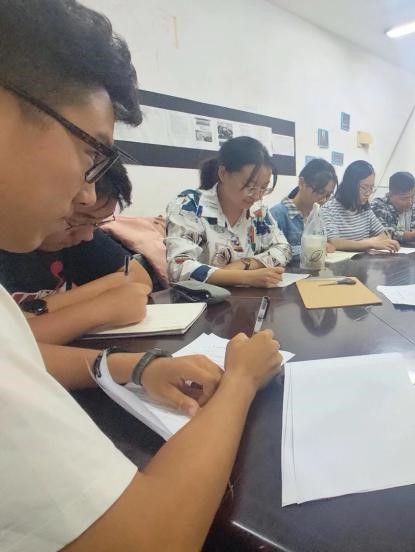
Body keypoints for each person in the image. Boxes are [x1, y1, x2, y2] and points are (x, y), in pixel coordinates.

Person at [0, 2, 281, 550]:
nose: (87, 192)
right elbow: (146, 539)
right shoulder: (188, 206)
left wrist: (132, 364)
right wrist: (241, 381)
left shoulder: (258, 216)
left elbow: (22, 353)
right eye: (91, 152)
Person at [0, 162, 153, 344]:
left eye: (97, 223)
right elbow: (11, 344)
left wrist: (44, 307)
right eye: (76, 221)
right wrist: (99, 310)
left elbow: (136, 276)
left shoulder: (77, 238)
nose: (88, 236)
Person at [165, 136, 291, 287]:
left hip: (248, 297)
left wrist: (245, 263)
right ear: (223, 173)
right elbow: (178, 267)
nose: (257, 196)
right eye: (250, 186)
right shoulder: (190, 205)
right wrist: (246, 277)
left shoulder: (257, 212)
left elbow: (284, 249)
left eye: (263, 188)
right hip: (203, 298)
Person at [320, 160, 400, 252]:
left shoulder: (365, 209)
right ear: (350, 186)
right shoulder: (329, 209)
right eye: (364, 188)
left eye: (371, 188)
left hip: (362, 259)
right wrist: (370, 243)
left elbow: (385, 235)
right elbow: (335, 243)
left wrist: (365, 243)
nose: (368, 193)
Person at [270, 157, 337, 254]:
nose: (323, 200)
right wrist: (312, 248)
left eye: (328, 195)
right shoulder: (277, 215)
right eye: (320, 192)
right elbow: (271, 253)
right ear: (302, 183)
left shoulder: (317, 215)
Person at [370, 171, 415, 244]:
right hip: (387, 250)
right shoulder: (378, 205)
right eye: (404, 198)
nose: (410, 202)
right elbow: (382, 233)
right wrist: (410, 236)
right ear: (390, 195)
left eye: (413, 196)